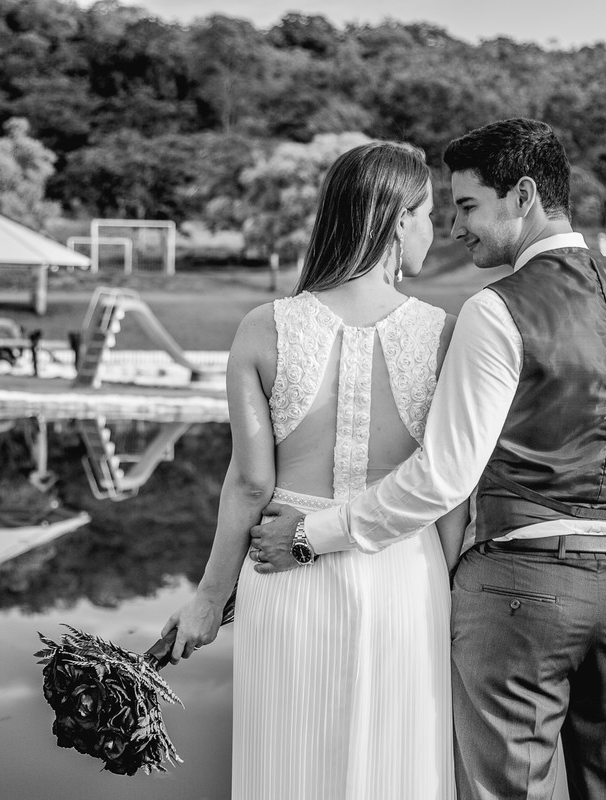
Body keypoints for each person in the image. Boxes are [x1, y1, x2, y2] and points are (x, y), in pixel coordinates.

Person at [250, 119, 606, 800]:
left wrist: (312, 536)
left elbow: (445, 477)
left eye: (467, 206)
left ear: (522, 196)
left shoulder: (496, 311)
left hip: (517, 593)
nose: (459, 227)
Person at [162, 141, 466, 800]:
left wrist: (210, 600)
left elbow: (250, 484)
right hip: (405, 580)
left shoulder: (264, 328)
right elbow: (448, 495)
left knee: (288, 768)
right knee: (400, 769)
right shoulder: (443, 334)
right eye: (430, 215)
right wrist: (446, 599)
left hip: (283, 578)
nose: (436, 232)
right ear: (396, 221)